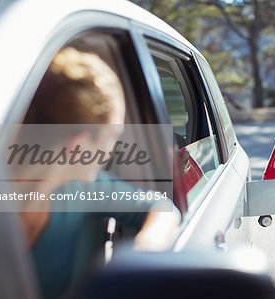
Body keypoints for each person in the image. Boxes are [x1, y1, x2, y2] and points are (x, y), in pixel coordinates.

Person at [17, 47, 180, 298]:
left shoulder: (81, 188)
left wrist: (143, 253)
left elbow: (161, 208)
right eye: (112, 137)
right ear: (78, 146)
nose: (111, 153)